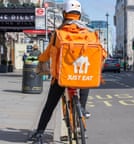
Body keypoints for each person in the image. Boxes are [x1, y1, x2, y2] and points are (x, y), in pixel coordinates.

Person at [28, 0, 97, 143]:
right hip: (82, 75)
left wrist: (40, 60)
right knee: (86, 81)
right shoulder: (90, 34)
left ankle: (40, 132)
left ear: (64, 14)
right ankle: (82, 109)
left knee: (50, 105)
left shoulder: (58, 34)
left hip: (62, 77)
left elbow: (47, 54)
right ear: (80, 15)